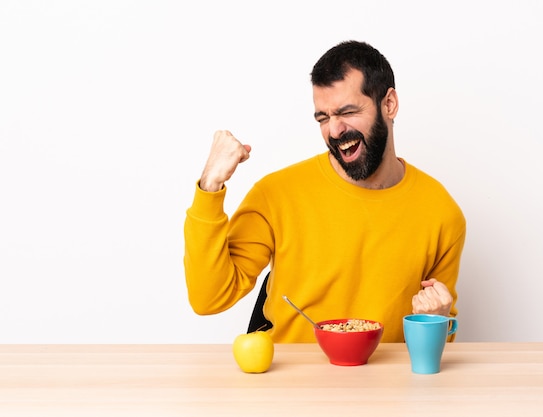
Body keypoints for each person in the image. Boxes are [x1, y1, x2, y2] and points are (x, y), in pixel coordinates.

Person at [184, 40, 466, 343]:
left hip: (388, 386)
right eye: (323, 118)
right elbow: (209, 298)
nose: (334, 131)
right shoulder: (276, 194)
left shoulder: (441, 212)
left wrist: (437, 320)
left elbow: (440, 337)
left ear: (389, 104)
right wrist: (209, 186)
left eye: (347, 112)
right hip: (291, 384)